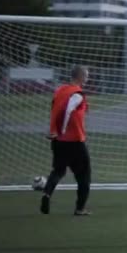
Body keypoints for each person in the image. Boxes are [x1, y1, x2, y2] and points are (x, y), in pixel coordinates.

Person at [40, 65, 92, 216]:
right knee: (84, 175)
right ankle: (80, 208)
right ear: (80, 77)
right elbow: (66, 110)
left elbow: (55, 108)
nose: (87, 79)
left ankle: (47, 194)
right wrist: (61, 130)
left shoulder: (60, 90)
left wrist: (55, 132)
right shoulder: (77, 94)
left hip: (58, 141)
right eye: (86, 76)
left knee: (58, 170)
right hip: (74, 141)